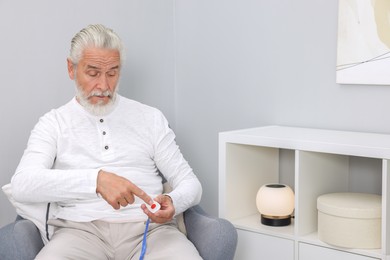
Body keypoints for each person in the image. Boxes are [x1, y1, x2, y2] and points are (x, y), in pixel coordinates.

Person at [10, 24, 202, 260]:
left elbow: (190, 183)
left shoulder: (150, 118)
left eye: (112, 73)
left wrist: (173, 200)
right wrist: (96, 181)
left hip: (151, 231)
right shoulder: (53, 123)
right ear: (71, 68)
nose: (104, 86)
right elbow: (22, 184)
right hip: (79, 232)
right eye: (93, 73)